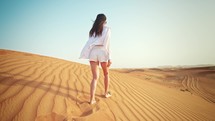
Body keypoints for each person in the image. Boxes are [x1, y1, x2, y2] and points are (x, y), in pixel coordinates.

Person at [80, 14, 112, 104]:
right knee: (106, 73)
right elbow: (107, 44)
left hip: (93, 52)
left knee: (95, 78)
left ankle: (92, 99)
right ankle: (106, 93)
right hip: (102, 51)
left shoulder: (92, 31)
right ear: (104, 21)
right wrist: (109, 58)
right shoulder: (107, 29)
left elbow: (89, 43)